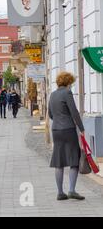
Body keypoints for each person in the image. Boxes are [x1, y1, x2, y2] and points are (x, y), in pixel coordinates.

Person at [48, 72, 86, 201]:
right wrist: (82, 129)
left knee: (59, 161)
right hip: (68, 129)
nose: (71, 86)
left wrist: (58, 120)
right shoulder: (67, 93)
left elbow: (50, 114)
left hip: (56, 130)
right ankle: (72, 190)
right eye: (71, 83)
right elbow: (74, 112)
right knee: (74, 160)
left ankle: (60, 192)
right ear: (68, 82)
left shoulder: (52, 95)